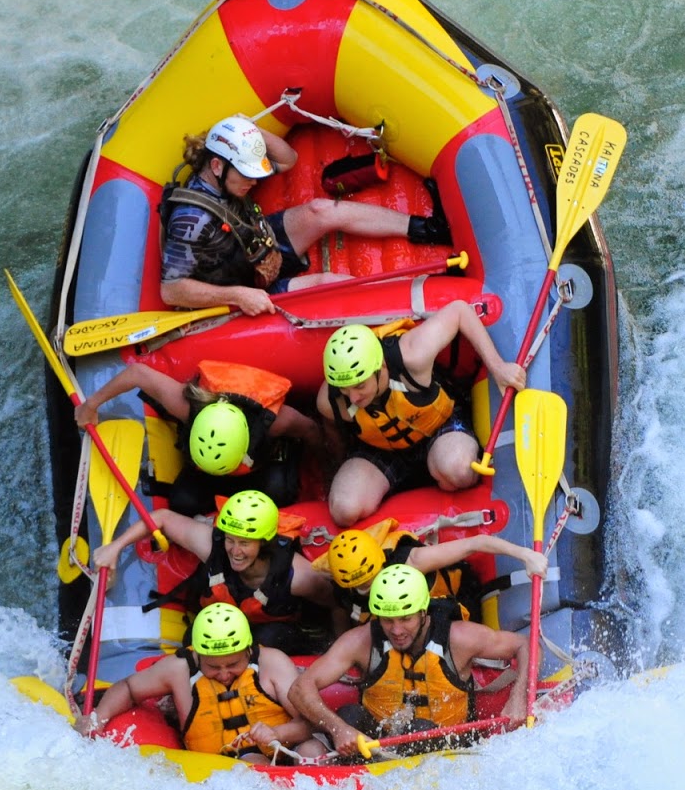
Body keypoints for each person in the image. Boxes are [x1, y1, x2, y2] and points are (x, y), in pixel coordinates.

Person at [160, 115, 453, 317]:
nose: (254, 183)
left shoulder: (230, 176)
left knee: (320, 210)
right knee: (328, 282)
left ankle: (430, 229)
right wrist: (238, 296)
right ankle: (424, 294)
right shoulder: (192, 221)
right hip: (247, 286)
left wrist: (250, 131)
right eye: (248, 175)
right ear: (216, 166)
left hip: (258, 245)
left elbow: (288, 159)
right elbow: (171, 291)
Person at [315, 305, 527, 526]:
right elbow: (334, 435)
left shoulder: (412, 354)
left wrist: (498, 367)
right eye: (344, 388)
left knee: (458, 470)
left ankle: (441, 473)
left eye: (360, 385)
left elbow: (459, 311)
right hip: (382, 449)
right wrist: (336, 467)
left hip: (438, 425)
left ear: (382, 367)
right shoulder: (330, 401)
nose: (353, 397)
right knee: (344, 510)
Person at [289, 564, 531, 757]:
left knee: (420, 731)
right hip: (377, 749)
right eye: (387, 619)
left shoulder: (459, 637)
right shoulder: (360, 641)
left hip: (448, 750)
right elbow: (299, 689)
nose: (396, 630)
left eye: (406, 619)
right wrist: (338, 728)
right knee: (349, 715)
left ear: (423, 611)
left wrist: (518, 695)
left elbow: (524, 645)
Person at [91, 489, 337, 655]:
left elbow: (336, 603)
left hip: (270, 633)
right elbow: (163, 518)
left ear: (264, 542)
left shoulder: (299, 577)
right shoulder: (213, 545)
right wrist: (115, 547)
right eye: (231, 540)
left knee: (269, 639)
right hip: (218, 621)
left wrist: (337, 648)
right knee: (193, 640)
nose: (235, 551)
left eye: (244, 543)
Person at [73, 603, 327, 762]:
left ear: (248, 650)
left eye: (233, 665)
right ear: (198, 654)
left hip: (281, 758)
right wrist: (98, 717)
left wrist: (277, 733)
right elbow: (128, 688)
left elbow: (310, 723)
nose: (224, 673)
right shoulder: (179, 668)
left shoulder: (272, 663)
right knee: (249, 765)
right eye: (213, 667)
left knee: (313, 750)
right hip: (212, 771)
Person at [73, 358, 318, 515]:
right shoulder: (185, 405)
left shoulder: (275, 421)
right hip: (207, 468)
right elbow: (138, 373)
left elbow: (311, 431)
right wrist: (90, 405)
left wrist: (326, 466)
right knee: (182, 501)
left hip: (260, 466)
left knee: (281, 494)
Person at [321, 524, 547, 632]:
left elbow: (475, 543)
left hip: (452, 603)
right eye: (359, 585)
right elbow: (341, 610)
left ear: (381, 562)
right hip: (400, 627)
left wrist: (526, 555)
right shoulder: (343, 586)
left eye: (370, 580)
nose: (366, 586)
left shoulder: (412, 560)